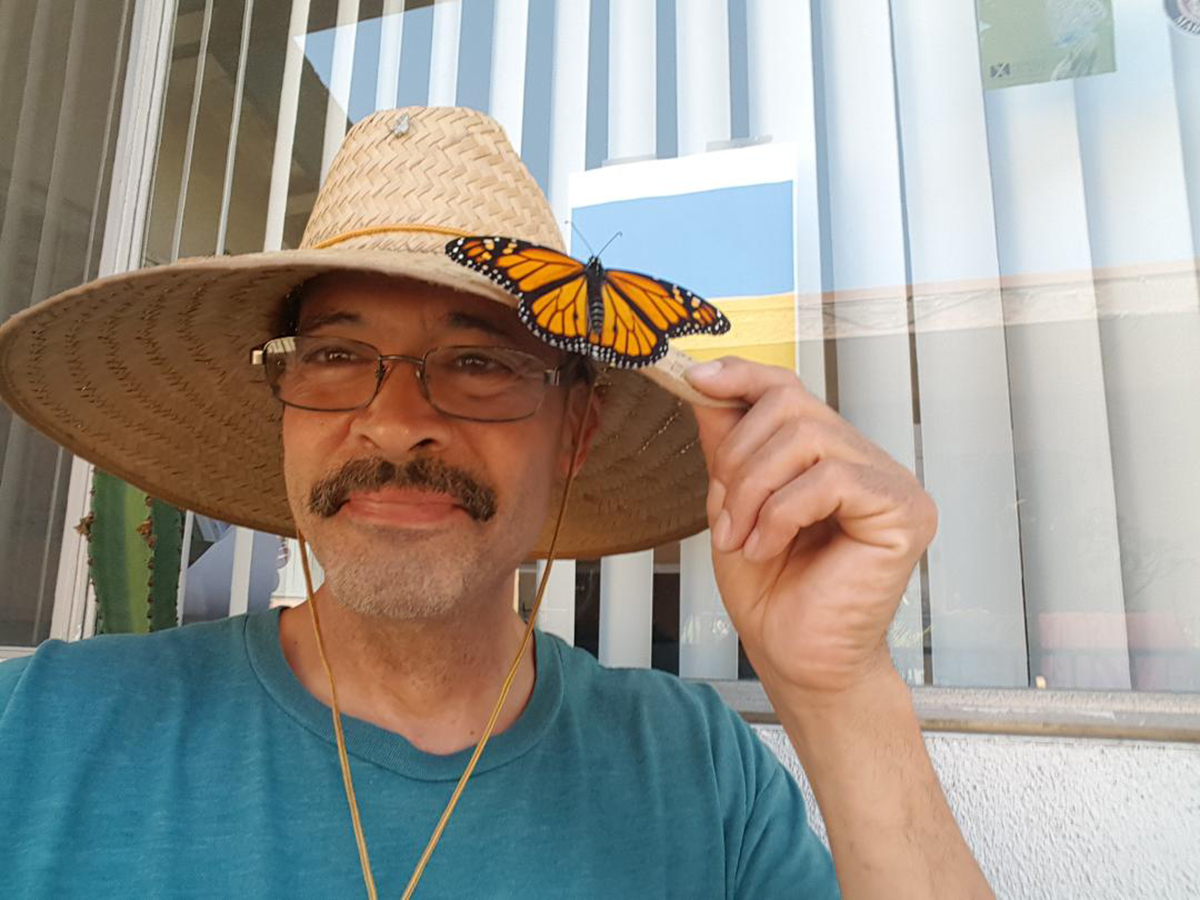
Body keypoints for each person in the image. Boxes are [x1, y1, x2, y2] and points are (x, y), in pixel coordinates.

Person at [0, 107, 992, 898]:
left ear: (577, 434)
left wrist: (841, 694)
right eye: (338, 357)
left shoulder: (697, 777)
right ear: (283, 408)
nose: (392, 425)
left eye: (477, 362)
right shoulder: (37, 732)